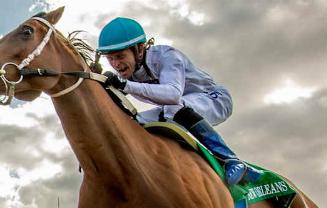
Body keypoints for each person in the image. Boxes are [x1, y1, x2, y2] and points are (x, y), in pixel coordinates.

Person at [97, 17, 261, 186]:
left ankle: (231, 160)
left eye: (120, 56)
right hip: (178, 108)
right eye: (110, 59)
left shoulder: (167, 56)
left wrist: (125, 85)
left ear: (139, 49)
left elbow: (173, 94)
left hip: (214, 99)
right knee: (133, 121)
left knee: (173, 108)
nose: (116, 64)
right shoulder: (128, 71)